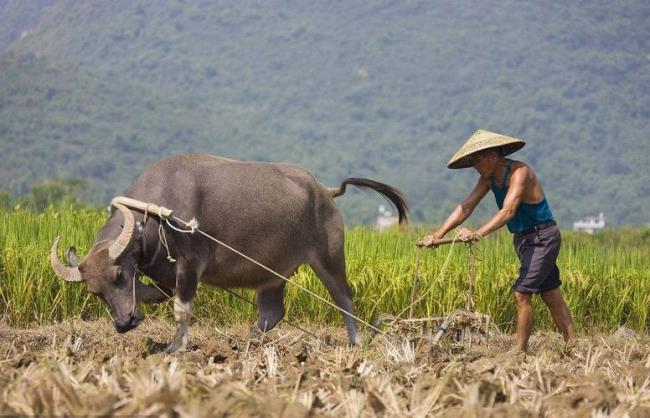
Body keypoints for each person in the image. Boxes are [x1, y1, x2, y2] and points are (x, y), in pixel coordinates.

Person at [420, 129, 574, 352]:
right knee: (549, 292)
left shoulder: (519, 172)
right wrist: (438, 234)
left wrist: (478, 233)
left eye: (477, 159)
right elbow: (466, 206)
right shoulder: (488, 179)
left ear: (493, 156)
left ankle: (519, 350)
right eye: (472, 161)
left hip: (542, 236)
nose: (475, 166)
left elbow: (508, 211)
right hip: (523, 239)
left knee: (522, 293)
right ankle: (572, 345)